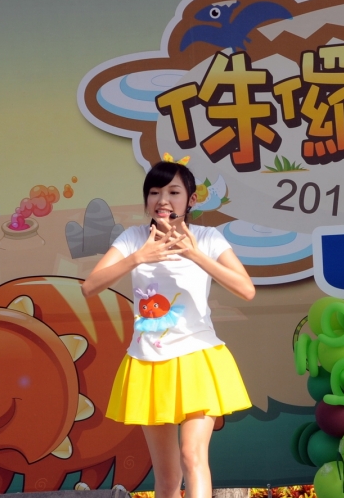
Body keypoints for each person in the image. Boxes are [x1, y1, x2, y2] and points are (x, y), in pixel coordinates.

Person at [81, 159, 256, 498]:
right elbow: (90, 286)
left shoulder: (207, 238)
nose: (163, 200)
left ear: (191, 200)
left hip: (197, 357)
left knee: (192, 455)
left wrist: (195, 255)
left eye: (174, 192)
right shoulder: (134, 238)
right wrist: (138, 258)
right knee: (167, 475)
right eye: (154, 192)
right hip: (149, 362)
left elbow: (246, 290)